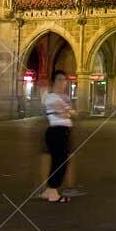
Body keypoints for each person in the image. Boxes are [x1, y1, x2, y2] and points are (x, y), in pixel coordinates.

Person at [42, 70, 75, 203]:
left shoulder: (62, 97)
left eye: (64, 80)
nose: (63, 82)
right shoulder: (51, 97)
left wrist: (66, 111)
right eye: (60, 79)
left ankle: (49, 190)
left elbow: (68, 112)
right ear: (54, 81)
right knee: (60, 163)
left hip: (63, 131)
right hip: (57, 132)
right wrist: (67, 111)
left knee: (59, 161)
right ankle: (53, 193)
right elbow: (64, 114)